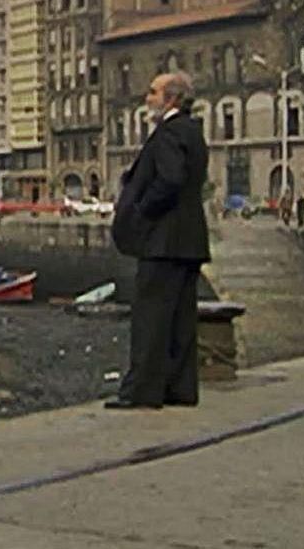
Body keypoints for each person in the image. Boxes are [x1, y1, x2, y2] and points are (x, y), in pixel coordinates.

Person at [108, 72, 210, 410]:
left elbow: (170, 179)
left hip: (163, 241)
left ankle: (142, 391)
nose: (147, 97)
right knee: (181, 318)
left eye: (153, 92)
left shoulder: (167, 133)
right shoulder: (194, 133)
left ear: (171, 100)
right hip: (190, 239)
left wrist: (141, 211)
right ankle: (180, 388)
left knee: (151, 317)